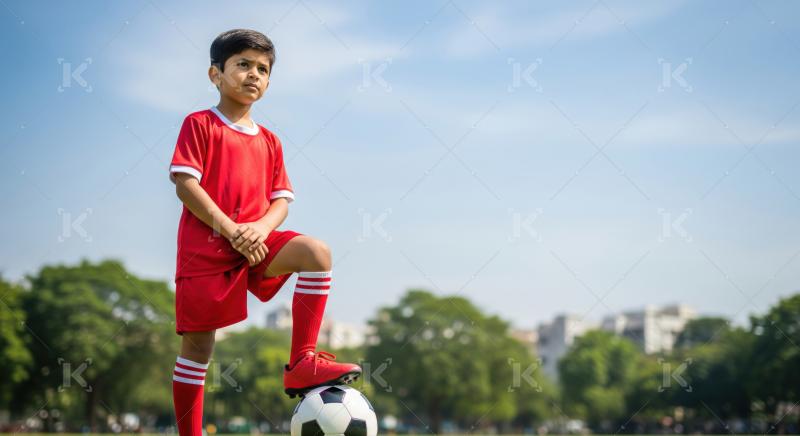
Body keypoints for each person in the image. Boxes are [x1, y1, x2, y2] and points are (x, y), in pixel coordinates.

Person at [168, 28, 361, 436]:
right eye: (242, 64)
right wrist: (231, 229)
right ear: (215, 74)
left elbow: (281, 201)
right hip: (205, 251)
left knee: (316, 253)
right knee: (198, 349)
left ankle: (302, 362)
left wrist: (257, 228)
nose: (253, 74)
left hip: (257, 244)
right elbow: (186, 184)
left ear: (269, 81)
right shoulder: (200, 123)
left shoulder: (270, 141)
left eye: (262, 68)